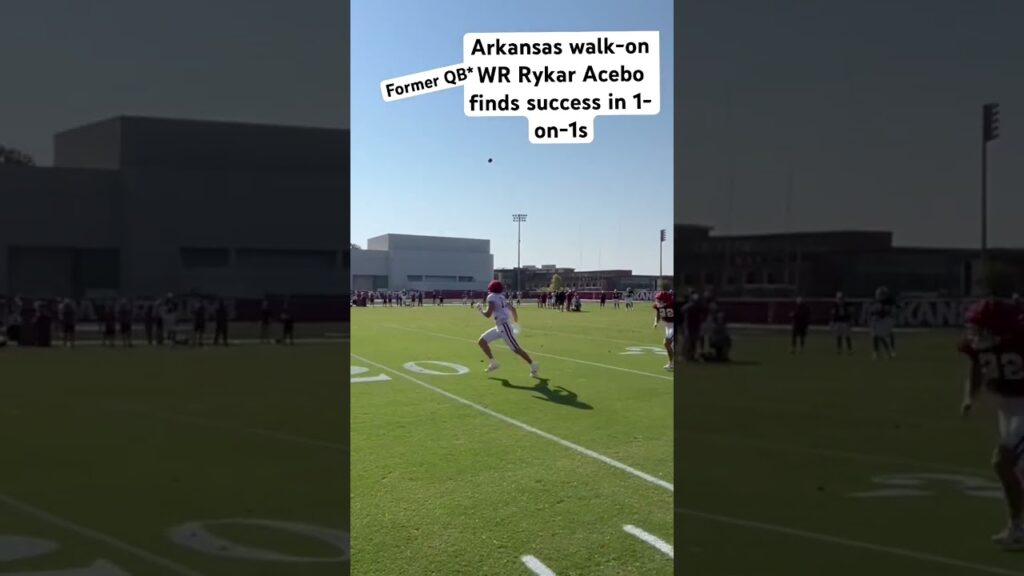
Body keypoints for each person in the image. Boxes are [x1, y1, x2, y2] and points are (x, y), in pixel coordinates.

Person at [960, 298, 1024, 549]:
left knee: (1002, 461)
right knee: (1016, 472)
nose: (975, 333)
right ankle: (1017, 527)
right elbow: (976, 367)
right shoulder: (979, 345)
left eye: (982, 328)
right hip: (1007, 408)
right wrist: (969, 396)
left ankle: (1017, 529)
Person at [476, 280, 538, 376]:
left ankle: (533, 364)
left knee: (516, 349)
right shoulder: (501, 297)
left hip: (504, 326)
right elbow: (513, 309)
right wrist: (515, 321)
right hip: (501, 326)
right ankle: (493, 363)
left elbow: (488, 314)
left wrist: (480, 310)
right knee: (482, 341)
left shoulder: (492, 297)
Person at [652, 290, 675, 370]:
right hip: (667, 326)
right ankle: (672, 363)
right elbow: (658, 313)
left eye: (660, 300)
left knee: (666, 343)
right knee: (670, 346)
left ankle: (671, 363)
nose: (658, 301)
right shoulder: (659, 305)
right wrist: (656, 322)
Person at [870, 287, 895, 359]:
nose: (878, 296)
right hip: (876, 321)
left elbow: (885, 312)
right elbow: (872, 311)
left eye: (880, 294)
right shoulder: (876, 302)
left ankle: (887, 352)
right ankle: (876, 352)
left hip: (883, 321)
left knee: (880, 336)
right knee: (875, 336)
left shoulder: (887, 303)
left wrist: (878, 316)